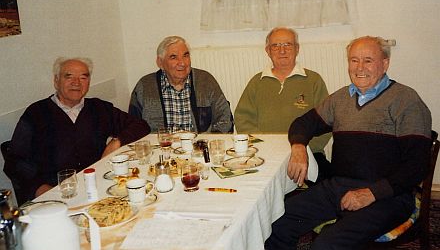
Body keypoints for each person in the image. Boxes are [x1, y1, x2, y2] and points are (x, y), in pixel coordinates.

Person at [264, 36, 432, 249]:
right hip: (339, 187)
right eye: (354, 60)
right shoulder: (340, 99)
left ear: (385, 63)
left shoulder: (406, 100)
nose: (360, 67)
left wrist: (371, 193)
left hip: (388, 196)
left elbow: (417, 165)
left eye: (368, 60)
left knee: (327, 244)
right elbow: (302, 123)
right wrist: (298, 147)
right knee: (274, 222)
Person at [3, 57, 151, 204]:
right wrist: (39, 188)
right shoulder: (36, 114)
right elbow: (14, 160)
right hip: (56, 191)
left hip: (96, 186)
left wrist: (116, 142)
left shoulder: (98, 108)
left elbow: (141, 126)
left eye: (83, 77)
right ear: (56, 81)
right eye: (69, 76)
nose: (76, 82)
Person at [234, 27, 331, 179]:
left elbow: (327, 122)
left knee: (318, 197)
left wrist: (302, 150)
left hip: (307, 155)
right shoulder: (256, 82)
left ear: (297, 49)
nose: (282, 51)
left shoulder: (313, 80)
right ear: (268, 51)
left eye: (287, 45)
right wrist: (265, 148)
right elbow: (243, 120)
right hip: (265, 156)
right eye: (276, 46)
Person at [129, 35, 233, 133]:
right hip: (162, 148)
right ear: (160, 63)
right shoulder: (145, 86)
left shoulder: (205, 80)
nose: (182, 63)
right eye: (173, 57)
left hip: (199, 147)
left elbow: (225, 116)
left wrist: (210, 142)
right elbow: (133, 126)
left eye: (185, 55)